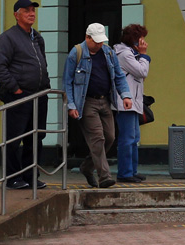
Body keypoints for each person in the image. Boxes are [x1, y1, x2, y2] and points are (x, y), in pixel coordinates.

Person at [63, 23, 132, 189]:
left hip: (105, 101)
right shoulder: (76, 53)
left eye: (101, 41)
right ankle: (104, 177)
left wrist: (126, 95)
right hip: (86, 102)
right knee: (97, 138)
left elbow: (119, 76)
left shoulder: (108, 52)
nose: (99, 44)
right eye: (96, 41)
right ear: (87, 38)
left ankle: (87, 167)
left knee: (110, 137)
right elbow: (67, 81)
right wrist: (71, 105)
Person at [0, 0, 50, 190]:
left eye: (33, 10)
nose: (32, 13)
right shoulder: (8, 38)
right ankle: (13, 178)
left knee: (36, 138)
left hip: (39, 96)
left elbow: (43, 64)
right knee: (15, 139)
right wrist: (15, 89)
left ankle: (31, 176)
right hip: (20, 96)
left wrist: (45, 87)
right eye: (27, 11)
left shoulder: (37, 37)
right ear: (17, 15)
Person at [113, 24, 151, 184]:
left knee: (134, 137)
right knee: (127, 138)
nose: (143, 42)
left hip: (133, 102)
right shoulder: (124, 54)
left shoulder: (131, 54)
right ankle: (125, 172)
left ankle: (132, 170)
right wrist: (144, 55)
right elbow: (142, 72)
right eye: (141, 38)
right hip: (125, 103)